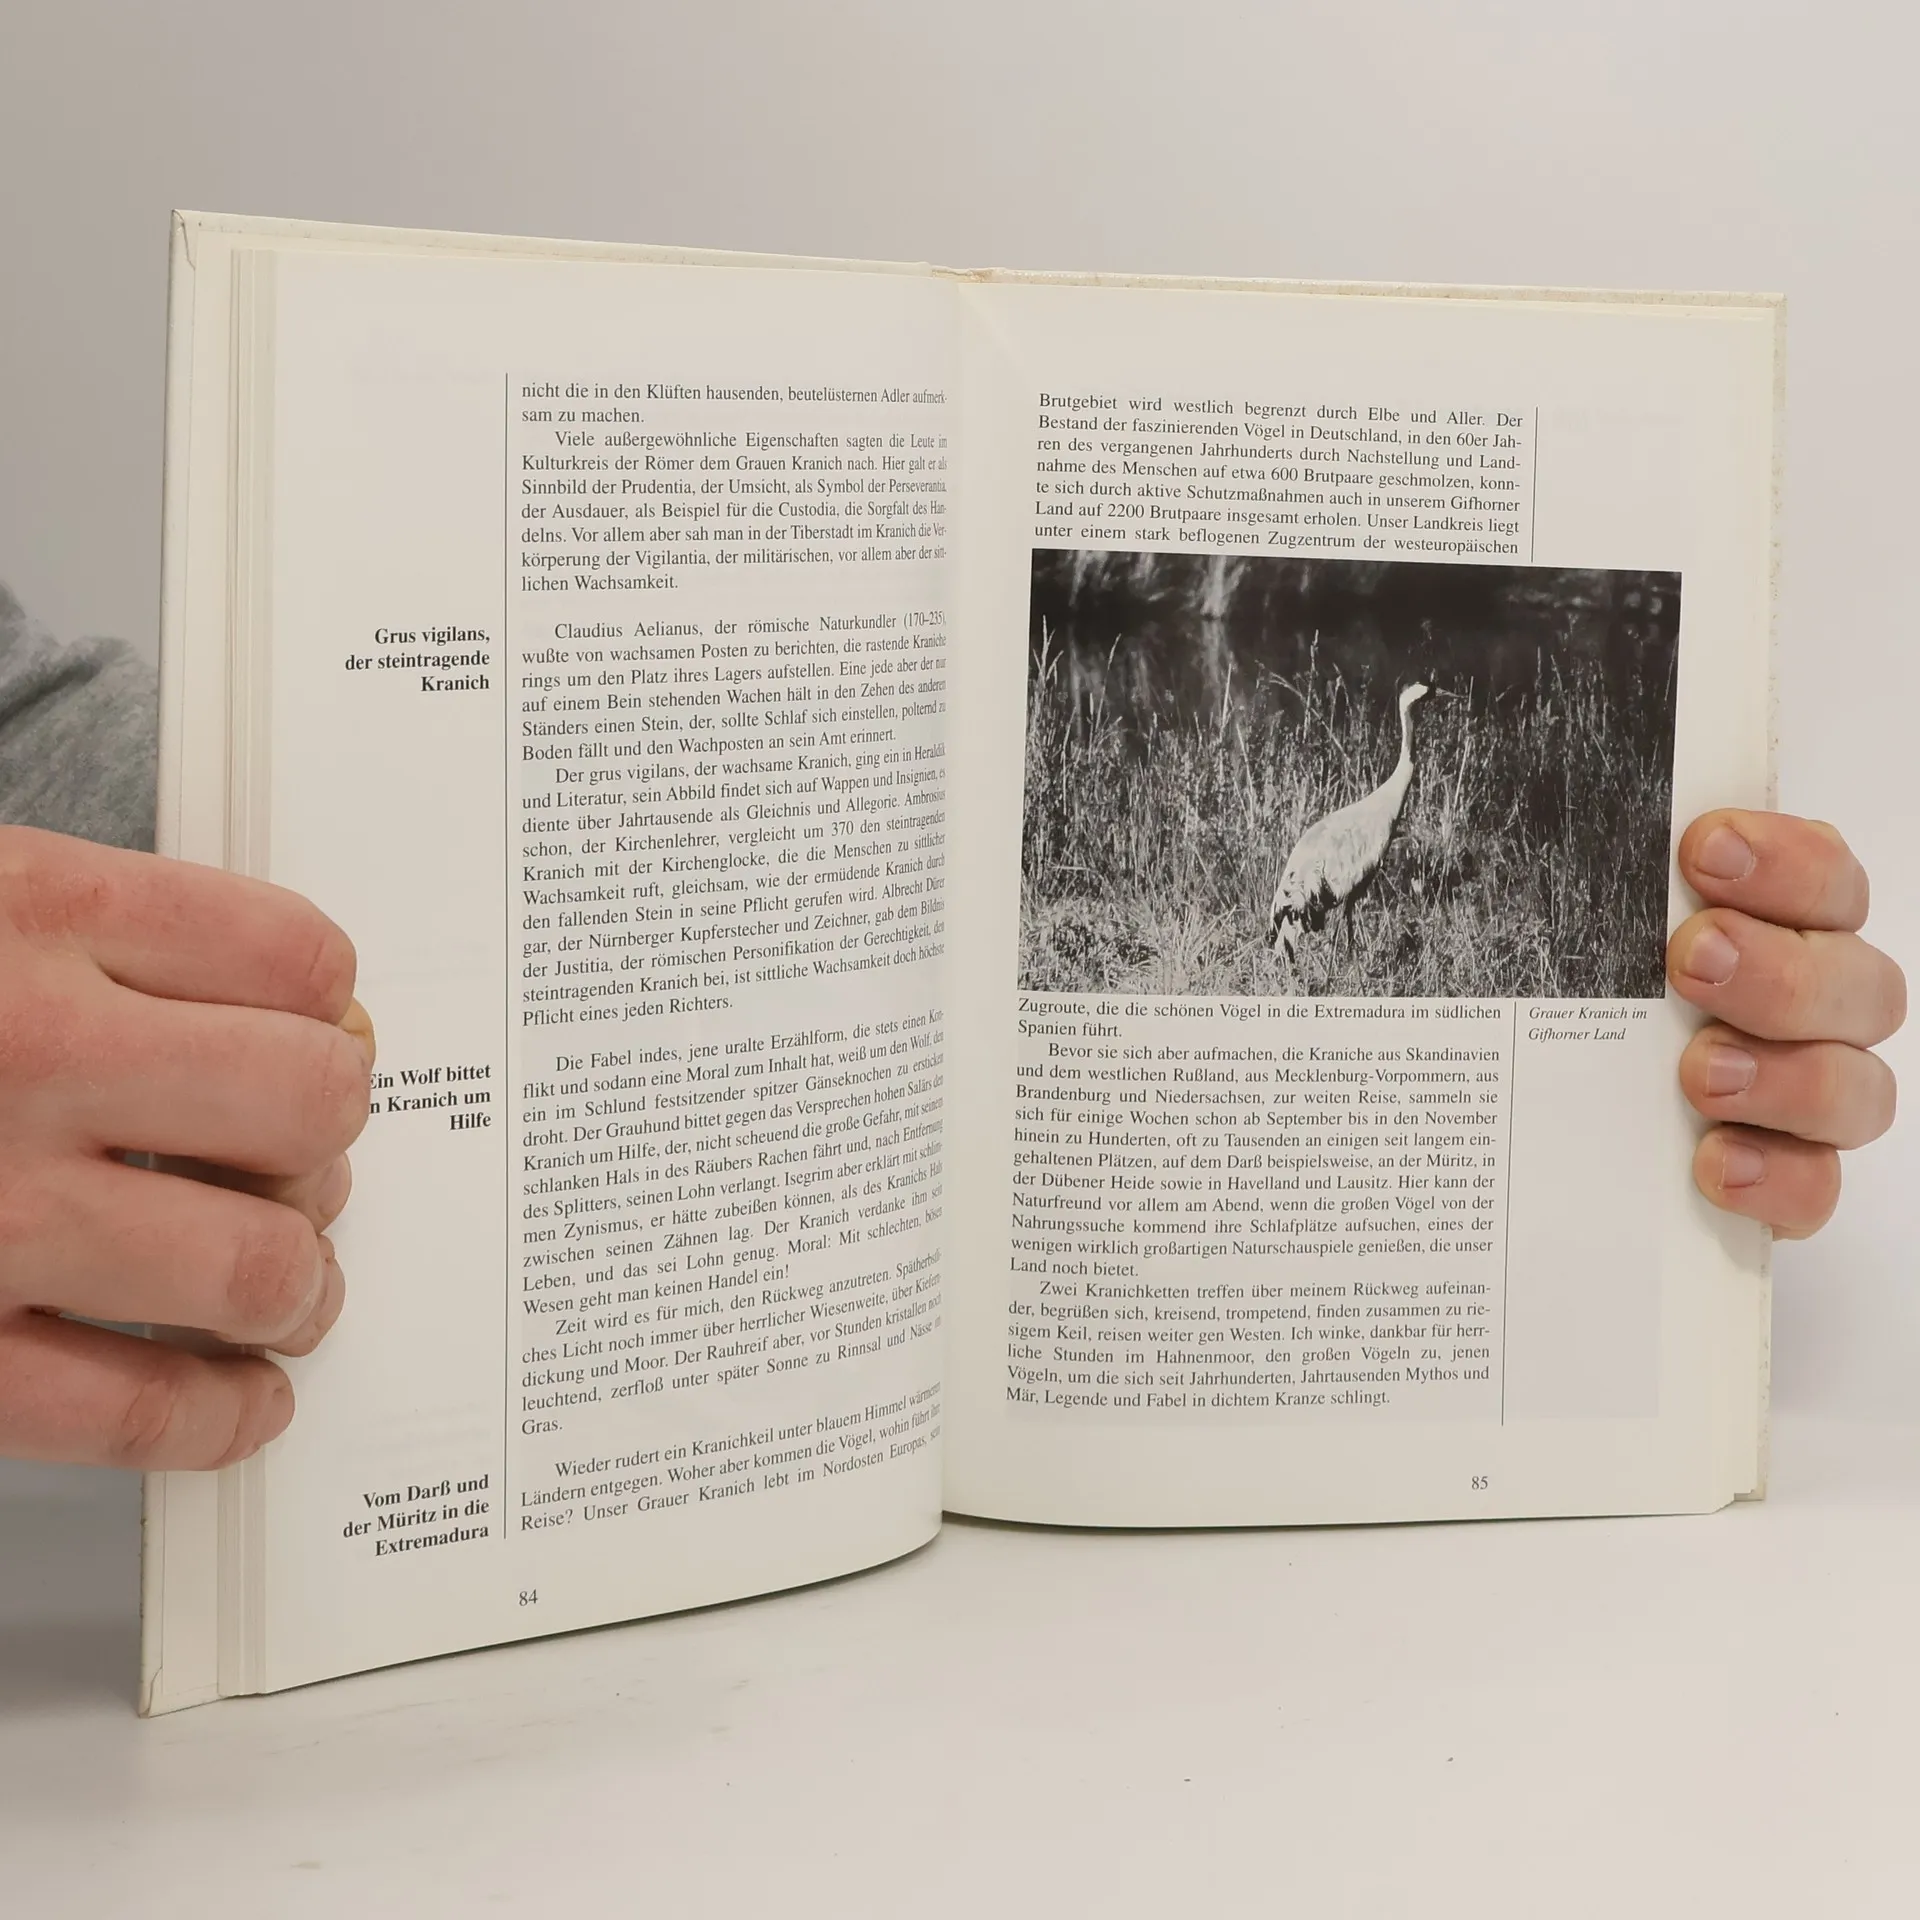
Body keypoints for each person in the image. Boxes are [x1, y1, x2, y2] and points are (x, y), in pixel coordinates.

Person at [0, 589, 1905, 1470]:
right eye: (1415, 717)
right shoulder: (1347, 819)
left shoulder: (1382, 809)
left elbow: (36, 733)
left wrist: (1648, 1002)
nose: (1421, 735)